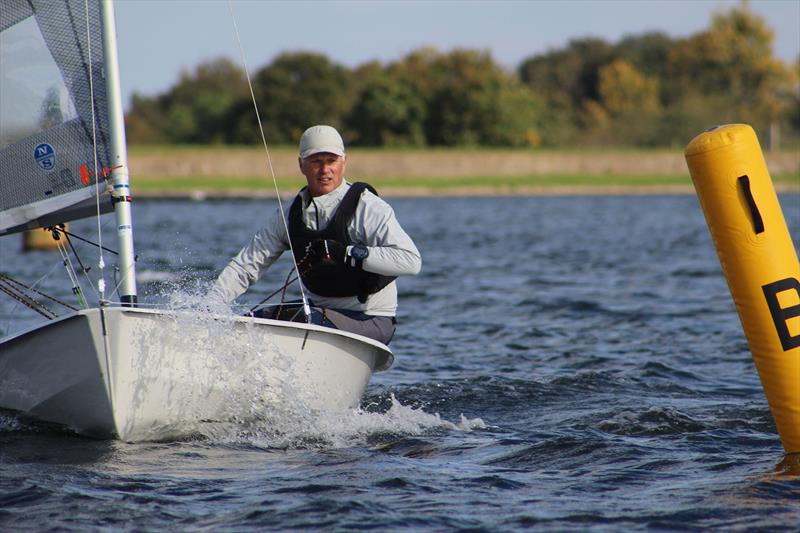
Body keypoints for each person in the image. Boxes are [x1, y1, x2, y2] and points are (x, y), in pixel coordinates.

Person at [210, 125, 421, 345]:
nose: (324, 170)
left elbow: (411, 262)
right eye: (316, 161)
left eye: (331, 161)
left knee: (303, 320)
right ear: (301, 165)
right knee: (250, 324)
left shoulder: (369, 208)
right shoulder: (289, 216)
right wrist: (211, 305)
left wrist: (347, 253)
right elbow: (246, 265)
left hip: (371, 319)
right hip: (319, 314)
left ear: (344, 162)